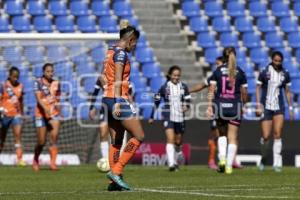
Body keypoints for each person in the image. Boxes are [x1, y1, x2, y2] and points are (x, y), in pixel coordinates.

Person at [101, 22, 143, 191]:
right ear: (131, 40)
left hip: (107, 98)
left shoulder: (110, 50)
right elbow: (118, 78)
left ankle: (113, 184)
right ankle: (116, 172)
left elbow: (103, 76)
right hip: (117, 99)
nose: (135, 47)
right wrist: (119, 101)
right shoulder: (121, 55)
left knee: (117, 140)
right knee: (139, 135)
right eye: (135, 43)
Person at [189, 57, 242, 170]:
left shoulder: (221, 75)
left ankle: (226, 160)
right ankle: (216, 160)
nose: (216, 66)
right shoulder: (216, 76)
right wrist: (188, 90)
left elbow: (208, 89)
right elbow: (203, 86)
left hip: (221, 108)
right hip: (223, 108)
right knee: (217, 134)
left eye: (217, 64)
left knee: (227, 136)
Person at [206, 47, 248, 174]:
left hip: (220, 106)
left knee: (222, 135)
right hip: (235, 106)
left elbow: (211, 90)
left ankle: (222, 160)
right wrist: (243, 105)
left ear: (223, 57)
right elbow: (244, 93)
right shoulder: (240, 72)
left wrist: (209, 106)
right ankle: (229, 166)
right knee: (233, 137)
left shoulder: (218, 71)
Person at [256, 51, 293, 172]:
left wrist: (290, 107)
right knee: (266, 136)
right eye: (275, 60)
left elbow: (287, 91)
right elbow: (258, 88)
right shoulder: (265, 71)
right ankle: (263, 158)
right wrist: (258, 105)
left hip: (279, 107)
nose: (277, 63)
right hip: (266, 107)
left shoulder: (285, 73)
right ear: (272, 60)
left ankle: (277, 163)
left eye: (279, 61)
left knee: (277, 133)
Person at [149, 65, 191, 171]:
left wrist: (186, 106)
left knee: (178, 141)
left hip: (180, 117)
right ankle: (171, 164)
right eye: (174, 75)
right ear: (169, 75)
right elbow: (156, 101)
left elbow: (188, 100)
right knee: (170, 139)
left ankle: (177, 157)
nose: (176, 77)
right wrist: (152, 116)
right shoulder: (164, 87)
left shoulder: (184, 87)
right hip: (168, 115)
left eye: (178, 75)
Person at [32, 63, 61, 171]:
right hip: (40, 114)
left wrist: (58, 111)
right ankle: (35, 159)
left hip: (54, 114)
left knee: (54, 138)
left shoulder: (56, 83)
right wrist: (45, 109)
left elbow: (58, 99)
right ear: (43, 72)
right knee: (41, 141)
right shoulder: (38, 82)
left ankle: (53, 164)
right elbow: (38, 99)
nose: (50, 73)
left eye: (51, 71)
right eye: (48, 71)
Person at [0, 67, 26, 166]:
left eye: (17, 77)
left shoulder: (21, 86)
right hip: (4, 115)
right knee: (2, 138)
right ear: (10, 76)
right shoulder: (3, 86)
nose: (16, 79)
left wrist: (22, 113)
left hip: (16, 114)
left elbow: (21, 100)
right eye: (14, 77)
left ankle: (20, 159)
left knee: (18, 136)